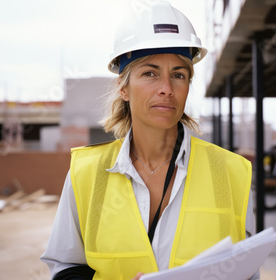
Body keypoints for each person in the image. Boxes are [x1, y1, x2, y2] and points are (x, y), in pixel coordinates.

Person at [41, 2, 256, 280]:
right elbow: (65, 268)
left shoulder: (230, 172)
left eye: (178, 75)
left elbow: (247, 273)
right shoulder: (86, 173)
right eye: (150, 73)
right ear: (123, 87)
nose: (166, 89)